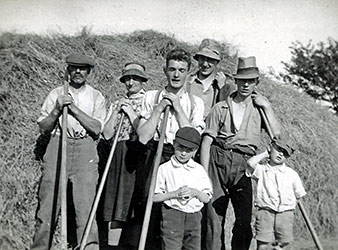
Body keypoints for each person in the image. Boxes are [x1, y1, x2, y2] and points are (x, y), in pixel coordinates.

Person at [126, 48, 205, 250]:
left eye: (181, 69)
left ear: (189, 72)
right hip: (153, 155)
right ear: (165, 70)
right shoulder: (151, 97)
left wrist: (177, 108)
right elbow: (143, 137)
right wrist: (159, 109)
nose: (176, 74)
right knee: (149, 208)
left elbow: (193, 138)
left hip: (181, 159)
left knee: (176, 211)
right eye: (172, 69)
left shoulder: (195, 103)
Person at [200, 56, 281, 250]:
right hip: (218, 159)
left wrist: (267, 107)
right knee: (213, 218)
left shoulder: (260, 109)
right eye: (242, 80)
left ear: (256, 83)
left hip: (245, 164)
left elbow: (277, 136)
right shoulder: (220, 108)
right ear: (235, 81)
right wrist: (203, 175)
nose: (245, 85)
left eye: (250, 81)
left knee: (244, 220)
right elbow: (207, 141)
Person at [31, 53, 106, 250]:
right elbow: (43, 127)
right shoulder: (56, 94)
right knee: (48, 207)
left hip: (85, 148)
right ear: (68, 70)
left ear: (89, 72)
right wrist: (57, 110)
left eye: (82, 68)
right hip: (58, 144)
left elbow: (97, 129)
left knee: (85, 208)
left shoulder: (96, 96)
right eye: (74, 67)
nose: (78, 71)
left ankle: (88, 247)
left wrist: (73, 109)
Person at [99, 62, 147, 246]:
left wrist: (131, 112)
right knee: (114, 203)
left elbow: (144, 132)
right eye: (127, 78)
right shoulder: (116, 103)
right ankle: (113, 246)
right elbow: (107, 134)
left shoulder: (147, 101)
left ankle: (132, 245)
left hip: (136, 153)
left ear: (142, 80)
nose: (131, 82)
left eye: (135, 78)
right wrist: (117, 111)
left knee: (133, 203)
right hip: (117, 152)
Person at [153, 127, 213, 250]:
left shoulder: (198, 170)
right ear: (174, 144)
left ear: (196, 150)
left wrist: (195, 192)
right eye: (180, 147)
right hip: (172, 215)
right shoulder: (165, 168)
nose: (183, 153)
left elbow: (206, 198)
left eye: (189, 150)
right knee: (171, 247)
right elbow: (154, 196)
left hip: (194, 217)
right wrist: (175, 194)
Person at [247, 138, 306, 250]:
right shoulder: (262, 170)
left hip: (285, 214)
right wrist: (265, 153)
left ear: (288, 156)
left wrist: (288, 209)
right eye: (278, 149)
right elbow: (250, 163)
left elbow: (299, 195)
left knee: (285, 243)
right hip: (265, 212)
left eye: (285, 153)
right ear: (271, 147)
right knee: (263, 245)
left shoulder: (291, 174)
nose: (280, 154)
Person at [186, 38, 233, 119]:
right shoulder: (188, 80)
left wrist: (222, 89)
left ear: (217, 62)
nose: (205, 64)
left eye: (210, 60)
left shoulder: (226, 85)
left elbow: (226, 114)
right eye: (202, 58)